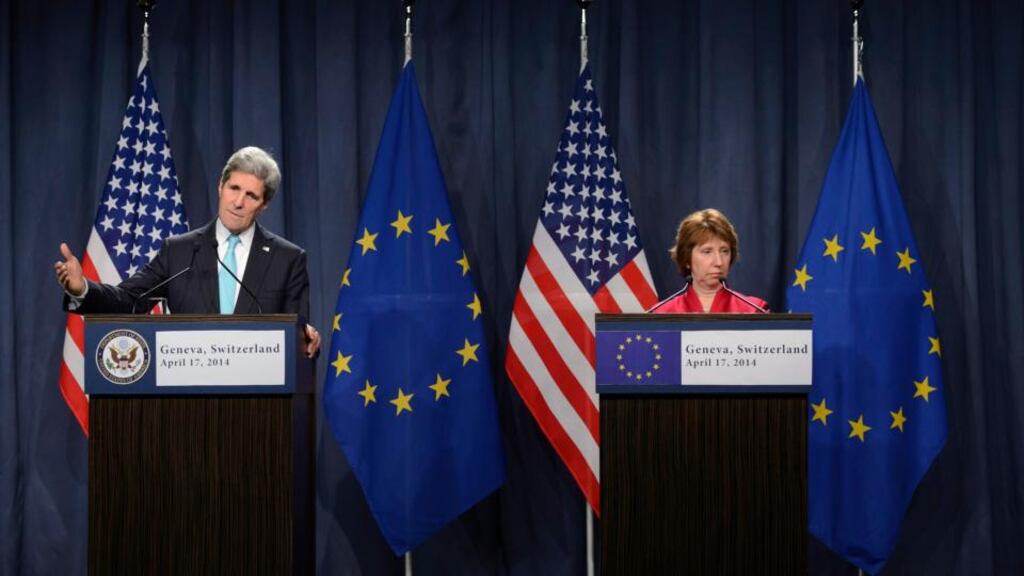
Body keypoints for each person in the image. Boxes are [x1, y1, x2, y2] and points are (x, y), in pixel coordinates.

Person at [55, 146, 321, 357]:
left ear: (264, 204)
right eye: (234, 188)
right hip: (188, 406)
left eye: (251, 196)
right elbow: (129, 299)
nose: (238, 202)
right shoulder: (179, 251)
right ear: (220, 186)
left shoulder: (288, 259)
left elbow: (297, 334)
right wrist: (82, 290)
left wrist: (305, 337)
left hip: (259, 409)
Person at [650, 208, 768, 314]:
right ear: (686, 259)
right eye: (707, 251)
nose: (719, 262)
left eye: (724, 251)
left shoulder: (754, 311)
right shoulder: (663, 314)